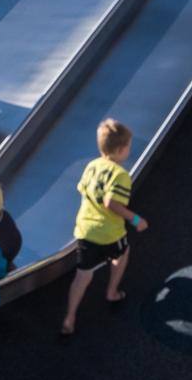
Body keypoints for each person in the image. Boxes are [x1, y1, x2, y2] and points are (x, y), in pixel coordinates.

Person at [60, 119, 147, 337]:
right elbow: (111, 203)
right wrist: (136, 220)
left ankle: (69, 317)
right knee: (123, 253)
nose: (129, 150)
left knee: (82, 275)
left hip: (85, 229)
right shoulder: (120, 175)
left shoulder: (92, 165)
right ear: (120, 150)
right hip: (109, 233)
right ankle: (112, 292)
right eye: (128, 146)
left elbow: (83, 189)